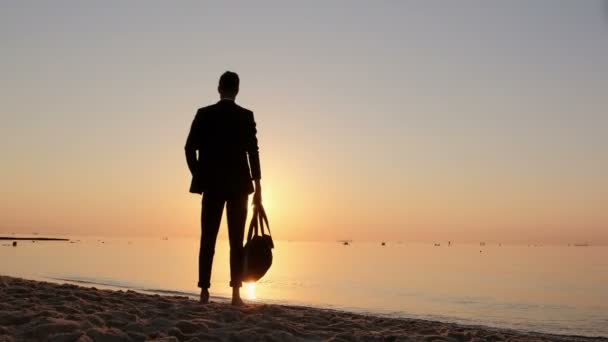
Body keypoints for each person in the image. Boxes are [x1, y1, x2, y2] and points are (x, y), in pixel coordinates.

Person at [185, 71, 262, 306]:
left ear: (219, 88)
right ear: (237, 90)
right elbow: (253, 153)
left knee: (207, 238)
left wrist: (199, 175)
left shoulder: (204, 114)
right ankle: (236, 293)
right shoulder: (246, 116)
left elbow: (189, 149)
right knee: (236, 240)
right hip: (239, 186)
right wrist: (258, 187)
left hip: (212, 185)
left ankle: (204, 291)